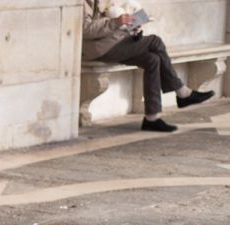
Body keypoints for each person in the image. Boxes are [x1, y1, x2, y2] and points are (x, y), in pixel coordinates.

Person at [82, 0, 213, 132]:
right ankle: (182, 92)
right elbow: (84, 29)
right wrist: (116, 22)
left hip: (112, 43)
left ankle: (152, 118)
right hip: (99, 49)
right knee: (155, 41)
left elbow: (109, 25)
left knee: (153, 59)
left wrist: (132, 28)